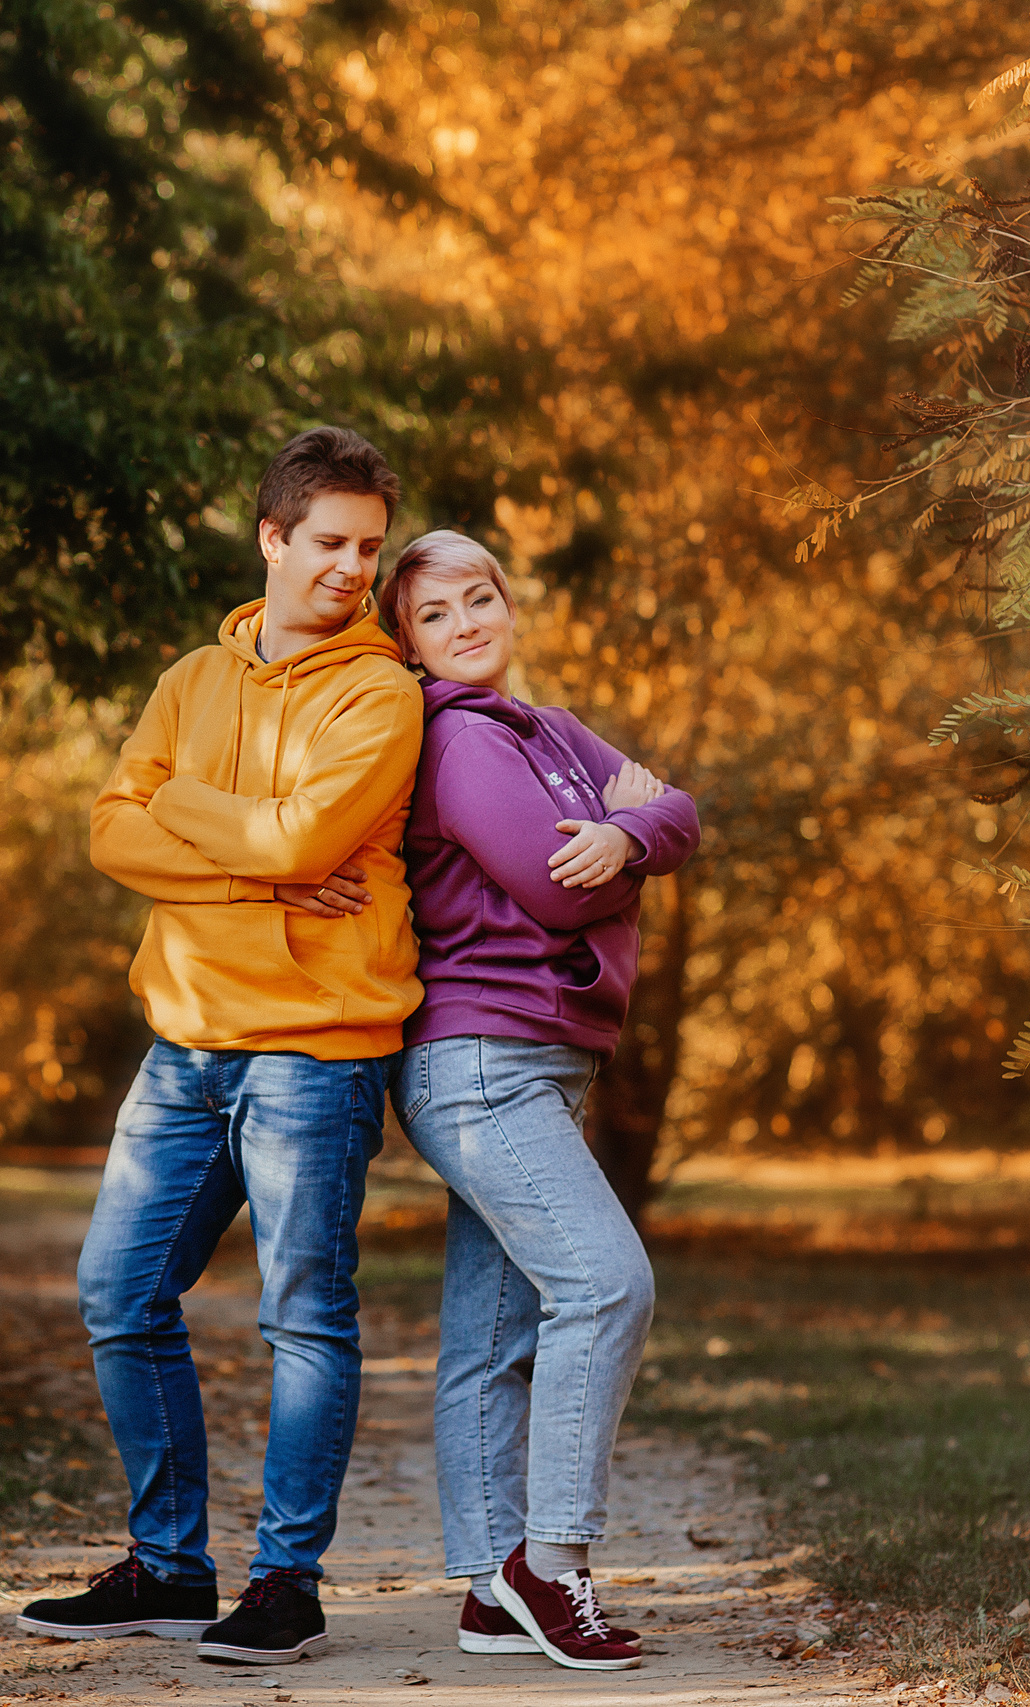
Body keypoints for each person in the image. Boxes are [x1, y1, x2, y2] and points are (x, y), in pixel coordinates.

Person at [14, 427, 424, 1666]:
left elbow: (297, 843)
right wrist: (251, 877)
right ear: (271, 538)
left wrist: (183, 814)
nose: (353, 569)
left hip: (315, 1051)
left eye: (369, 547)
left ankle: (286, 1583)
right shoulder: (193, 677)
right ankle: (168, 1567)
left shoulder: (381, 691)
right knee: (118, 1294)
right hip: (184, 1045)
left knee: (304, 1316)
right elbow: (106, 832)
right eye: (329, 543)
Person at [379, 529, 699, 1672]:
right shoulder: (458, 740)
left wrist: (625, 829)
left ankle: (484, 1593)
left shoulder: (547, 729)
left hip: (538, 1066)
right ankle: (548, 1564)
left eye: (481, 599)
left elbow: (681, 814)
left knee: (492, 1333)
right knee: (607, 1285)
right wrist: (627, 833)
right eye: (435, 614)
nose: (467, 624)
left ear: (508, 605)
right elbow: (549, 894)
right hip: (479, 1067)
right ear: (406, 640)